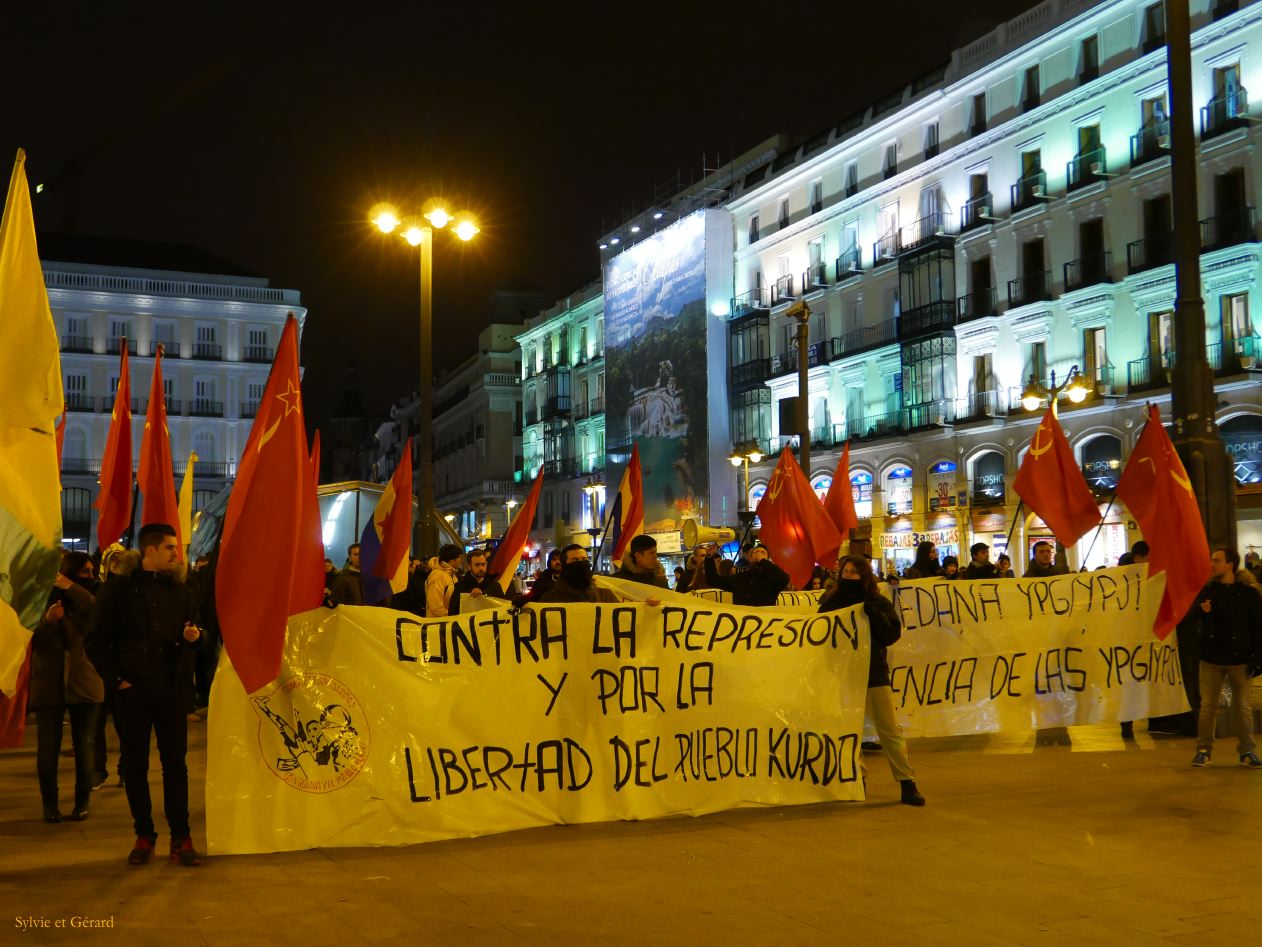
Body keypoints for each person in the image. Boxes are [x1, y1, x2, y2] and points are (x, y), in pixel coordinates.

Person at [85, 524, 203, 866]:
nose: (175, 554)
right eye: (169, 548)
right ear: (150, 551)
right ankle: (144, 834)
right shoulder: (118, 589)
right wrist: (117, 680)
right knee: (135, 766)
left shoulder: (183, 588)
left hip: (170, 692)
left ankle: (181, 836)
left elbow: (200, 632)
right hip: (132, 694)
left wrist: (196, 637)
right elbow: (94, 640)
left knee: (175, 766)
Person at [818, 555, 925, 806]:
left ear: (864, 575)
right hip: (844, 675)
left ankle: (907, 781)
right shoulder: (831, 603)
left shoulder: (878, 602)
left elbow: (890, 635)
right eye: (845, 571)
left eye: (855, 572)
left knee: (890, 731)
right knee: (849, 731)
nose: (849, 576)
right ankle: (858, 779)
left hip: (875, 674)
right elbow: (820, 634)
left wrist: (874, 614)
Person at [30, 552, 104, 823]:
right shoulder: (40, 597)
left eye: (91, 571)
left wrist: (71, 588)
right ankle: (50, 805)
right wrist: (48, 622)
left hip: (85, 680)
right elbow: (30, 640)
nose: (90, 576)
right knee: (47, 747)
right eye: (84, 571)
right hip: (48, 681)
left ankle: (82, 802)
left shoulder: (93, 595)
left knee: (85, 744)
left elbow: (101, 616)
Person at [1191, 548, 1262, 768]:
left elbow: (1258, 627)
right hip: (1211, 658)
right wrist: (1201, 611)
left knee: (1242, 708)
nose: (1212, 564)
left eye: (1217, 560)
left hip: (1240, 659)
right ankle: (1204, 749)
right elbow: (1192, 617)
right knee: (1208, 707)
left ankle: (1247, 751)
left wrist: (1257, 658)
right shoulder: (1207, 590)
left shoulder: (1249, 594)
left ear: (1230, 564)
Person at [93, 543, 139, 791]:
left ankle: (125, 768)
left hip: (124, 669)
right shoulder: (98, 590)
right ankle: (98, 769)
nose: (117, 566)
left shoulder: (134, 592)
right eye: (113, 561)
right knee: (96, 724)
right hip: (99, 669)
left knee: (126, 725)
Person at [703, 544, 789, 606]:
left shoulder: (772, 580)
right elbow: (713, 580)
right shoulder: (740, 578)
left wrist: (763, 561)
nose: (758, 554)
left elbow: (784, 579)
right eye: (756, 552)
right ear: (750, 559)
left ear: (767, 559)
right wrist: (709, 557)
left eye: (763, 553)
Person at [539, 544, 621, 604]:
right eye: (575, 560)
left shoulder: (606, 597)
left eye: (584, 559)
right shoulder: (550, 600)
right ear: (565, 566)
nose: (581, 563)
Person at [452, 549, 505, 615]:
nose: (481, 568)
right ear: (469, 566)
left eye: (483, 564)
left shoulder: (495, 586)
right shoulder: (460, 587)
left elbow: (504, 610)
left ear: (487, 564)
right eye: (477, 565)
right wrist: (469, 595)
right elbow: (453, 614)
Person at [425, 544, 463, 618]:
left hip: (449, 622)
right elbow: (435, 607)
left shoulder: (452, 574)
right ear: (452, 560)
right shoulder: (437, 576)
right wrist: (453, 615)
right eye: (460, 558)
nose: (461, 561)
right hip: (437, 624)